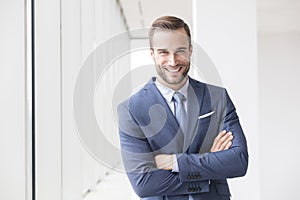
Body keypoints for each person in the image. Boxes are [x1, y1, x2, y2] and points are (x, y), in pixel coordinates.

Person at [117, 15, 248, 200]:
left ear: (190, 50)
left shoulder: (218, 98)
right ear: (152, 53)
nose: (173, 61)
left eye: (180, 51)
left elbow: (238, 161)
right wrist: (209, 168)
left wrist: (174, 162)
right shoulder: (132, 109)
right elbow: (143, 184)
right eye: (163, 52)